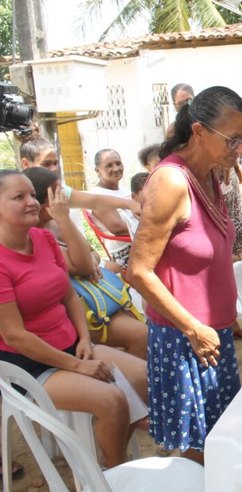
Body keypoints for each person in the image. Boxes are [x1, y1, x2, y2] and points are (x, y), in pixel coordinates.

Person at [127, 86, 242, 464]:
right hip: (187, 339)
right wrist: (194, 329)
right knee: (200, 453)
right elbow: (138, 271)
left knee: (220, 441)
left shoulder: (210, 175)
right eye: (233, 140)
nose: (240, 150)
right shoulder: (171, 182)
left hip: (213, 334)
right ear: (199, 132)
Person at [0, 170, 147, 468]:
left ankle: (108, 452)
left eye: (32, 194)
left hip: (71, 345)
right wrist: (78, 365)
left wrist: (82, 338)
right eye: (19, 197)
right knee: (112, 401)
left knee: (145, 377)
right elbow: (15, 336)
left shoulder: (42, 238)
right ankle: (113, 474)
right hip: (30, 365)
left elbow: (68, 296)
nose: (32, 202)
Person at [23, 167, 148, 360]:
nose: (64, 197)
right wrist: (64, 218)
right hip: (81, 309)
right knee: (143, 336)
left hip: (95, 296)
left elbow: (91, 254)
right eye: (59, 192)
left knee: (140, 327)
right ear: (46, 199)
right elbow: (83, 266)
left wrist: (89, 261)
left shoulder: (54, 224)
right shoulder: (38, 231)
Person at [19, 136, 141, 216]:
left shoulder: (57, 189)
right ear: (25, 163)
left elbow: (93, 201)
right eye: (46, 164)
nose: (54, 169)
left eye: (55, 163)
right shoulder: (14, 191)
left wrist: (130, 204)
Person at [89, 149, 133, 269]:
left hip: (139, 241)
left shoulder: (124, 189)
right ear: (97, 170)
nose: (116, 168)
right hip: (126, 252)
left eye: (118, 163)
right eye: (109, 165)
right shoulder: (98, 196)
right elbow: (118, 228)